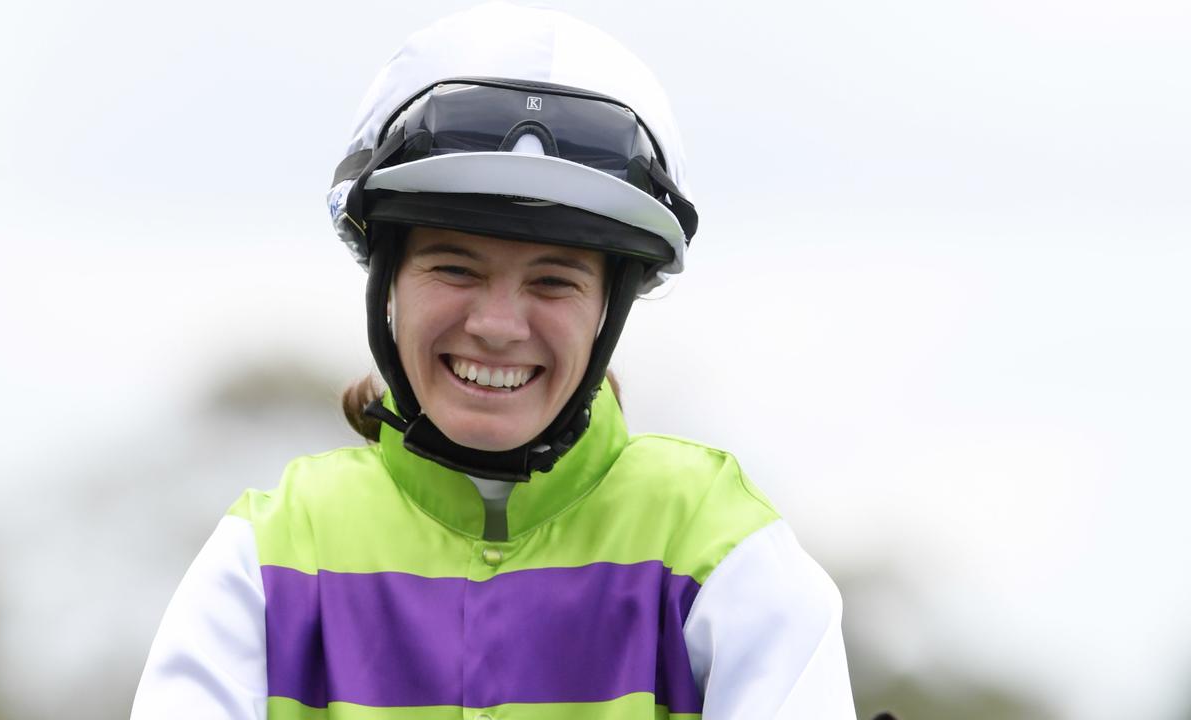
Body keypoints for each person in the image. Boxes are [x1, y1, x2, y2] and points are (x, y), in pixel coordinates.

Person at [131, 3, 856, 719]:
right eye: (454, 268)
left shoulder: (720, 549)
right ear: (387, 284)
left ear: (611, 306)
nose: (498, 326)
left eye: (552, 281)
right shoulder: (265, 560)